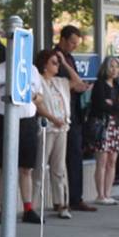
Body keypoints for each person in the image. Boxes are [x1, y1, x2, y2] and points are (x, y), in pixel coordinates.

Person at [0, 55, 44, 224]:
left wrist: (32, 97)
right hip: (5, 120)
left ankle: (28, 209)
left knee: (26, 168)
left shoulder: (32, 70)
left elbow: (40, 97)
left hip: (28, 120)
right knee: (6, 167)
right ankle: (4, 210)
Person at [54, 26, 96, 213]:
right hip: (60, 114)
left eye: (76, 44)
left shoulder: (68, 58)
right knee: (58, 159)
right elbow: (54, 84)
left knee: (75, 156)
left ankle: (75, 198)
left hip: (74, 113)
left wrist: (80, 87)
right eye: (71, 43)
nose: (73, 47)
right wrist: (74, 86)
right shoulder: (54, 58)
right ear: (62, 39)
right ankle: (61, 200)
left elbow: (76, 81)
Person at [33, 49, 71, 219]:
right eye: (54, 63)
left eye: (57, 63)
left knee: (59, 168)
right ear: (44, 65)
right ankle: (33, 206)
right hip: (46, 127)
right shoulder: (38, 81)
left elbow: (79, 84)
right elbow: (38, 104)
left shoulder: (60, 82)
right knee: (40, 166)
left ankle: (61, 203)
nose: (57, 66)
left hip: (61, 128)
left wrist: (65, 63)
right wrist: (52, 118)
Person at [89, 56, 119, 205]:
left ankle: (108, 193)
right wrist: (115, 104)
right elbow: (100, 105)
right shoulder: (99, 85)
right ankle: (100, 195)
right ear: (106, 68)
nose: (114, 70)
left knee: (112, 161)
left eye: (117, 67)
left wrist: (114, 103)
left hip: (115, 126)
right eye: (111, 66)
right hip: (103, 125)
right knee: (102, 161)